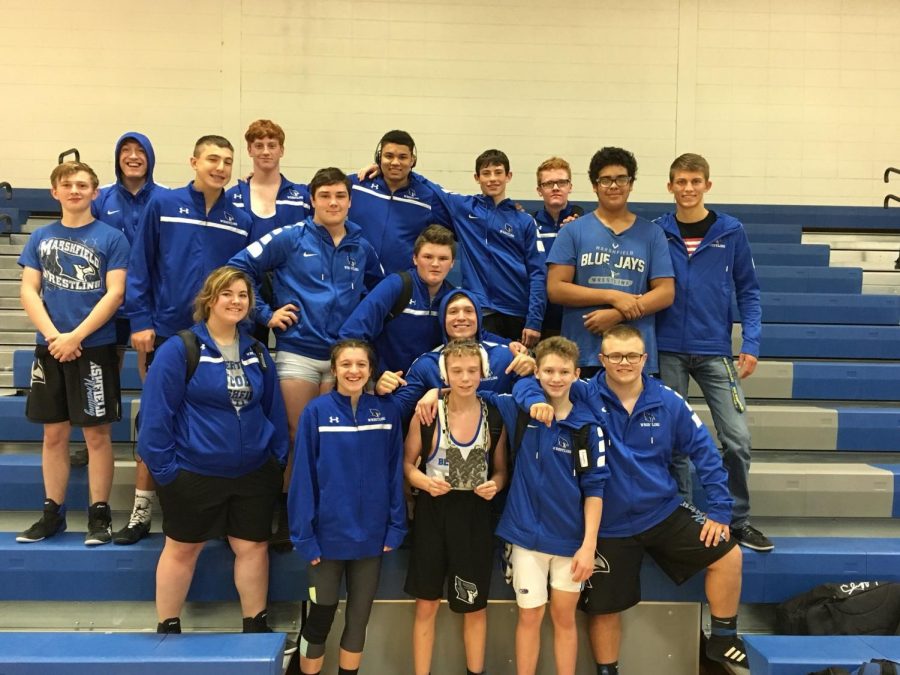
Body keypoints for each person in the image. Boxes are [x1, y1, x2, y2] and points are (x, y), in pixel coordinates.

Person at [516, 325, 747, 673]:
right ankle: (608, 670)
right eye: (614, 356)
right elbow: (529, 383)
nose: (623, 363)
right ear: (602, 359)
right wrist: (533, 399)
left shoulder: (668, 401)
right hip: (608, 524)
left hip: (662, 512)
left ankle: (722, 638)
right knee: (605, 609)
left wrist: (719, 509)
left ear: (644, 359)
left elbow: (706, 453)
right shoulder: (583, 392)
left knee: (729, 556)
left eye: (631, 356)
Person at [228, 167, 384, 549]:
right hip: (297, 353)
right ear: (311, 200)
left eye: (341, 196)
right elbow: (237, 267)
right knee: (297, 437)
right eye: (326, 195)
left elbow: (383, 292)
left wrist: (360, 330)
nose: (333, 202)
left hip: (341, 360)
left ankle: (326, 515)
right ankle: (287, 515)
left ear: (350, 200)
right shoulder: (290, 237)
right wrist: (266, 314)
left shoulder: (361, 246)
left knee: (331, 442)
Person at [138, 266, 290, 643]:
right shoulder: (180, 348)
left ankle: (255, 624)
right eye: (228, 294)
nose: (236, 301)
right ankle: (168, 627)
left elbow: (273, 409)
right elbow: (155, 418)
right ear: (209, 299)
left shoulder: (257, 351)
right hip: (193, 472)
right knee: (182, 549)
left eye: (243, 295)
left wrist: (275, 460)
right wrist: (169, 472)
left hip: (254, 472)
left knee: (252, 547)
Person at [123, 134, 252, 544]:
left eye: (228, 161)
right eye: (213, 158)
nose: (220, 167)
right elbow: (140, 264)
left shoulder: (240, 220)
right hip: (166, 332)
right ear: (193, 161)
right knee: (157, 418)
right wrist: (140, 319)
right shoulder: (163, 205)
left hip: (217, 337)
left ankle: (202, 506)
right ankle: (142, 507)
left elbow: (243, 281)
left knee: (208, 417)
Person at [655, 153, 772, 552]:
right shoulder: (657, 232)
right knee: (674, 442)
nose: (688, 188)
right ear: (669, 186)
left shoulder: (730, 231)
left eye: (695, 181)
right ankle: (682, 516)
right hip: (666, 349)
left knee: (737, 439)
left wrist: (751, 343)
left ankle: (738, 520)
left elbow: (749, 292)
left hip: (715, 350)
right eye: (680, 181)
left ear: (708, 184)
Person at [16, 161, 129, 546]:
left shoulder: (112, 237)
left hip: (93, 346)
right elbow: (29, 290)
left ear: (95, 193)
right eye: (68, 184)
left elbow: (115, 293)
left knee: (97, 436)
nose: (75, 190)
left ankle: (99, 515)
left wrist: (75, 335)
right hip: (51, 347)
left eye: (83, 185)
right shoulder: (40, 237)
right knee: (53, 435)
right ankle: (53, 513)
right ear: (55, 192)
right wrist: (54, 337)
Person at [490, 337, 606, 675]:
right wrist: (432, 393)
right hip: (526, 538)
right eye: (549, 371)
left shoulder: (588, 427)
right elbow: (472, 396)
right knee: (529, 616)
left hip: (571, 542)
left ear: (576, 374)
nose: (556, 378)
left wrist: (589, 546)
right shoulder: (520, 411)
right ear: (537, 372)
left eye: (564, 371)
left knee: (564, 618)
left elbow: (595, 490)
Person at [289, 339, 406, 675]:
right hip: (326, 541)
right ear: (335, 369)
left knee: (358, 620)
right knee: (320, 618)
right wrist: (304, 535)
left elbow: (393, 472)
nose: (354, 371)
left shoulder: (386, 413)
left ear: (371, 370)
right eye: (346, 364)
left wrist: (396, 526)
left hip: (371, 538)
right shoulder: (316, 412)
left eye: (361, 365)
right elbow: (303, 479)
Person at [403, 339, 508, 675]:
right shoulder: (428, 412)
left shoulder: (493, 415)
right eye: (457, 370)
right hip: (433, 514)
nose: (465, 378)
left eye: (472, 371)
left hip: (474, 515)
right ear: (445, 373)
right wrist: (423, 482)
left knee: (474, 607)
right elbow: (405, 466)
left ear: (483, 373)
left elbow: (501, 469)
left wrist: (497, 485)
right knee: (426, 604)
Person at [89, 131, 164, 543]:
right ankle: (101, 439)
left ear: (151, 158)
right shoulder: (103, 201)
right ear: (117, 159)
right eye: (125, 152)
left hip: (147, 307)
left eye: (140, 152)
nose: (133, 158)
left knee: (150, 381)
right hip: (107, 304)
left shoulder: (164, 198)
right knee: (106, 376)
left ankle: (143, 440)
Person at [546, 146, 675, 377]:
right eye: (605, 180)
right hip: (583, 354)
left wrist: (619, 314)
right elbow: (556, 289)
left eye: (621, 179)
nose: (614, 186)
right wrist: (612, 296)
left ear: (631, 183)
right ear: (595, 186)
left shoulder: (652, 233)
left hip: (634, 356)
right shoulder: (573, 231)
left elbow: (666, 292)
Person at [421, 149, 546, 347]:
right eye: (486, 174)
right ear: (477, 178)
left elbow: (538, 273)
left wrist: (535, 320)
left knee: (520, 371)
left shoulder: (524, 221)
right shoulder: (465, 208)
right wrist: (391, 170)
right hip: (482, 311)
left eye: (498, 172)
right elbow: (431, 188)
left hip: (518, 313)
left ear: (509, 176)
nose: (492, 179)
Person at [375, 289, 536, 422]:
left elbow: (533, 398)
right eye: (453, 312)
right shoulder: (426, 364)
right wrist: (381, 393)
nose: (461, 317)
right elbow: (395, 413)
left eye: (468, 311)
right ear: (442, 320)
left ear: (478, 318)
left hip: (500, 453)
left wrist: (533, 370)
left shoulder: (505, 357)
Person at [339, 224, 457, 375]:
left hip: (426, 390)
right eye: (428, 257)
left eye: (443, 258)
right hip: (386, 387)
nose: (435, 264)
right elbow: (351, 333)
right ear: (415, 258)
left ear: (452, 263)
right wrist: (374, 376)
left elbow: (475, 337)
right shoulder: (397, 285)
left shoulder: (453, 299)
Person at [348, 129, 453, 275]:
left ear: (412, 160)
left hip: (401, 285)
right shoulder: (356, 185)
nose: (395, 162)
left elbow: (458, 229)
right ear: (379, 158)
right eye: (388, 156)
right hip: (354, 279)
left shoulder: (427, 197)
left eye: (402, 157)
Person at [227, 119, 311, 241]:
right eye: (259, 146)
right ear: (250, 150)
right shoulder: (231, 197)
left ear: (281, 150)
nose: (266, 152)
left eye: (272, 146)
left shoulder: (302, 198)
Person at [532, 157, 584, 337]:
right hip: (541, 319)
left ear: (570, 186)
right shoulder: (528, 225)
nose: (555, 188)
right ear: (539, 190)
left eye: (561, 182)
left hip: (576, 318)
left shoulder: (585, 224)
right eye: (548, 183)